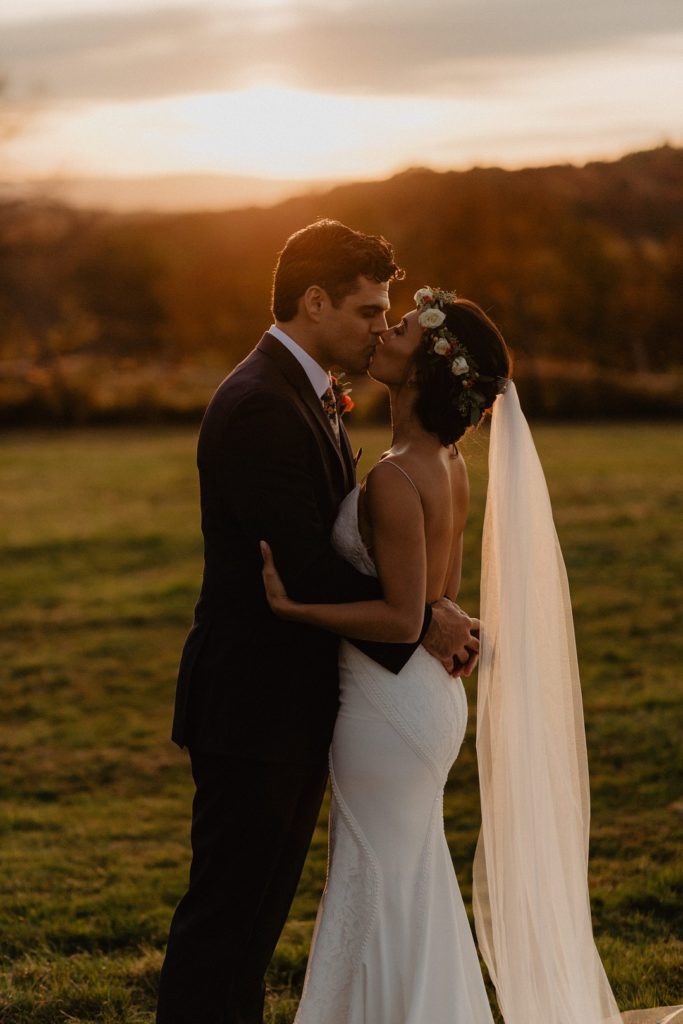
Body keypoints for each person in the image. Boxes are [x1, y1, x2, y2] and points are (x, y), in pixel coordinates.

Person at [261, 288, 622, 1024]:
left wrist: (296, 609)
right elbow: (439, 596)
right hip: (424, 702)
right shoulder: (445, 462)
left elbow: (400, 618)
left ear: (425, 370)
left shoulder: (396, 475)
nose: (383, 332)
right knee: (406, 881)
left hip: (387, 702)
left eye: (398, 327)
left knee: (378, 882)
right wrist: (434, 616)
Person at [156, 224, 479, 1024]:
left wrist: (424, 607)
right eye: (369, 309)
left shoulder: (310, 392)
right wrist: (423, 618)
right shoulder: (261, 402)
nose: (380, 325)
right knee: (227, 921)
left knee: (254, 920)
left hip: (302, 702)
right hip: (253, 704)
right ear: (313, 300)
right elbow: (298, 561)